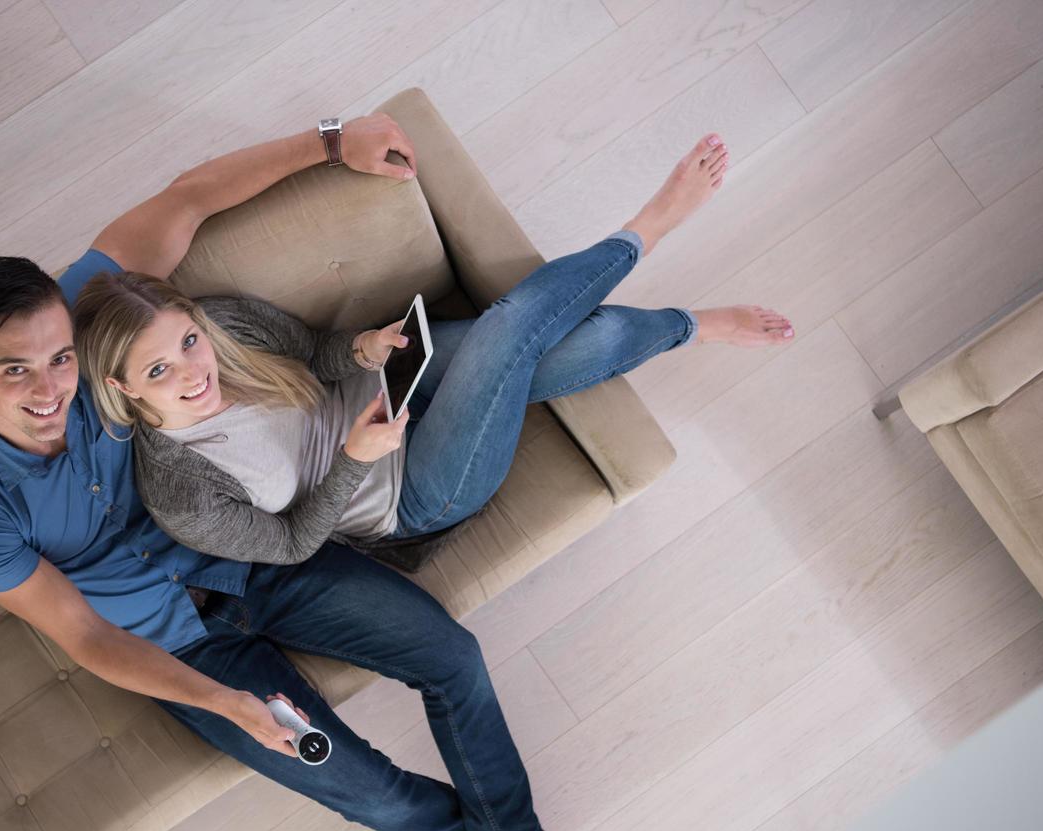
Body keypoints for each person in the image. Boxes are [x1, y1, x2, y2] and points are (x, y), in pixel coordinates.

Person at [0, 114, 609, 831]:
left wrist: (330, 143)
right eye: (14, 372)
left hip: (258, 557)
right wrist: (225, 704)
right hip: (183, 653)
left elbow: (187, 200)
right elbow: (81, 633)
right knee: (369, 792)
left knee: (452, 658)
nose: (48, 389)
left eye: (58, 359)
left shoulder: (90, 320)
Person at [70, 133, 795, 566]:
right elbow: (291, 545)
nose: (194, 370)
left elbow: (316, 354)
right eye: (160, 371)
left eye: (188, 342)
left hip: (387, 387)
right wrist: (355, 460)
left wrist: (361, 349)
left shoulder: (225, 326)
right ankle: (648, 230)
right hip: (408, 492)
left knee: (581, 336)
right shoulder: (180, 491)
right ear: (124, 386)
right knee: (512, 330)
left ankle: (692, 326)